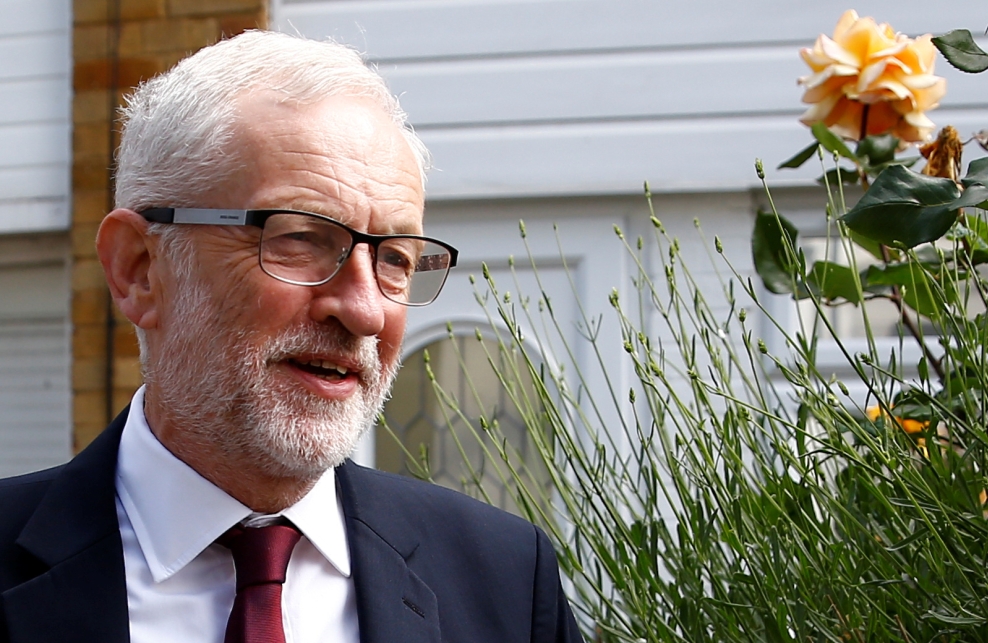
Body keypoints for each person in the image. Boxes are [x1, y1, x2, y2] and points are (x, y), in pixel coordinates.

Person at [0, 30, 582, 643]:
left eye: (396, 258)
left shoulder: (506, 581)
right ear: (139, 269)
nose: (364, 310)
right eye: (301, 238)